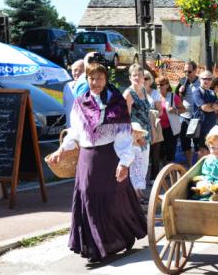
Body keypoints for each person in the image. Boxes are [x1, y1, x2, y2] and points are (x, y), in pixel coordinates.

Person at [46, 62, 146, 263]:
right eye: (92, 78)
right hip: (87, 158)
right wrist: (61, 149)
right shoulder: (80, 102)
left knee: (114, 201)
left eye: (100, 78)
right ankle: (95, 246)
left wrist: (124, 162)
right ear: (87, 80)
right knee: (88, 197)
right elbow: (75, 131)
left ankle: (120, 237)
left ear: (106, 79)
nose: (96, 82)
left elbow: (123, 134)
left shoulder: (116, 102)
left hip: (109, 157)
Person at [123, 64, 152, 187]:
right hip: (135, 136)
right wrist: (137, 138)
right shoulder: (128, 94)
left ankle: (139, 192)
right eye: (134, 75)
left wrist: (152, 134)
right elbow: (126, 118)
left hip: (146, 133)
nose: (137, 77)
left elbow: (148, 113)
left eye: (140, 75)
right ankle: (135, 195)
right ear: (130, 77)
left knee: (143, 166)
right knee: (135, 166)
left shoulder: (144, 90)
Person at [192, 70, 218, 158]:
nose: (207, 81)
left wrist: (213, 106)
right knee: (202, 152)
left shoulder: (212, 93)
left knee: (211, 151)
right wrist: (215, 106)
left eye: (209, 79)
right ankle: (201, 171)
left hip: (211, 127)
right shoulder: (196, 92)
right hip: (200, 127)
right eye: (204, 78)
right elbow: (204, 108)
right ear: (200, 79)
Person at [177, 60, 201, 166]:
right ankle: (190, 164)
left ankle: (199, 165)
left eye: (189, 71)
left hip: (197, 116)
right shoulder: (182, 81)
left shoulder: (201, 82)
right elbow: (178, 100)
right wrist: (180, 92)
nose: (187, 74)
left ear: (195, 71)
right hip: (184, 116)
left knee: (197, 143)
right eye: (185, 71)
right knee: (185, 142)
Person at [158, 76, 184, 163]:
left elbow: (183, 109)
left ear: (167, 85)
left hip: (171, 129)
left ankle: (169, 172)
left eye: (161, 84)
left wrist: (175, 110)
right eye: (157, 84)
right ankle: (162, 172)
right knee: (160, 151)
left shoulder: (173, 96)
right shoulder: (156, 96)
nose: (159, 86)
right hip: (159, 128)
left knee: (170, 151)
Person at [128, 121, 148, 200]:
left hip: (138, 165)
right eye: (135, 132)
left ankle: (139, 193)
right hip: (133, 166)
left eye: (139, 132)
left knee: (139, 178)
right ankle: (137, 196)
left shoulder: (137, 143)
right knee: (134, 179)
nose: (137, 134)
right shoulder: (131, 143)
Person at [63, 59, 85, 127]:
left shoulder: (90, 87)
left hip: (84, 128)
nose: (77, 73)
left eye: (81, 71)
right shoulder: (67, 86)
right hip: (70, 127)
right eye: (75, 70)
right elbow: (65, 106)